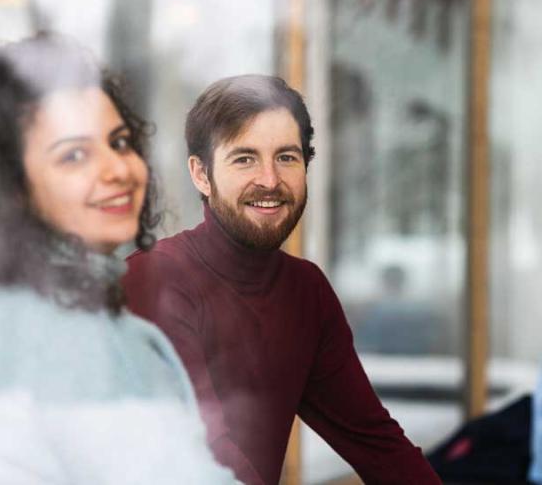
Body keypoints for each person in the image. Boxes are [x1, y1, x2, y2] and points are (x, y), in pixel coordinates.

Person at [0, 34, 238, 484]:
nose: (117, 168)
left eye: (120, 142)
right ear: (9, 190)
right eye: (74, 155)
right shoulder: (57, 334)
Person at [122, 74, 441, 484]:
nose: (270, 181)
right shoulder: (153, 280)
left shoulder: (305, 292)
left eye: (287, 157)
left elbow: (376, 443)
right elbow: (207, 458)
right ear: (201, 174)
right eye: (245, 158)